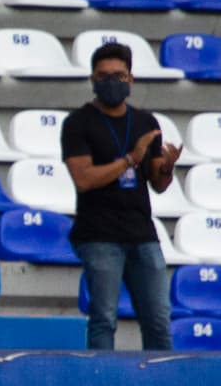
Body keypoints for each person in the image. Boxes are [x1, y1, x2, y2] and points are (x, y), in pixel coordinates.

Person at [62, 41, 182, 351]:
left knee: (158, 318)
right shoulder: (78, 123)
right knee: (104, 318)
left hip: (142, 233)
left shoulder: (145, 122)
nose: (111, 82)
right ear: (92, 79)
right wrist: (130, 159)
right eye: (103, 76)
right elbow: (84, 179)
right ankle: (99, 384)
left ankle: (162, 382)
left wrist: (167, 168)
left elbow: (157, 182)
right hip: (98, 235)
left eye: (118, 75)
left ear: (131, 79)